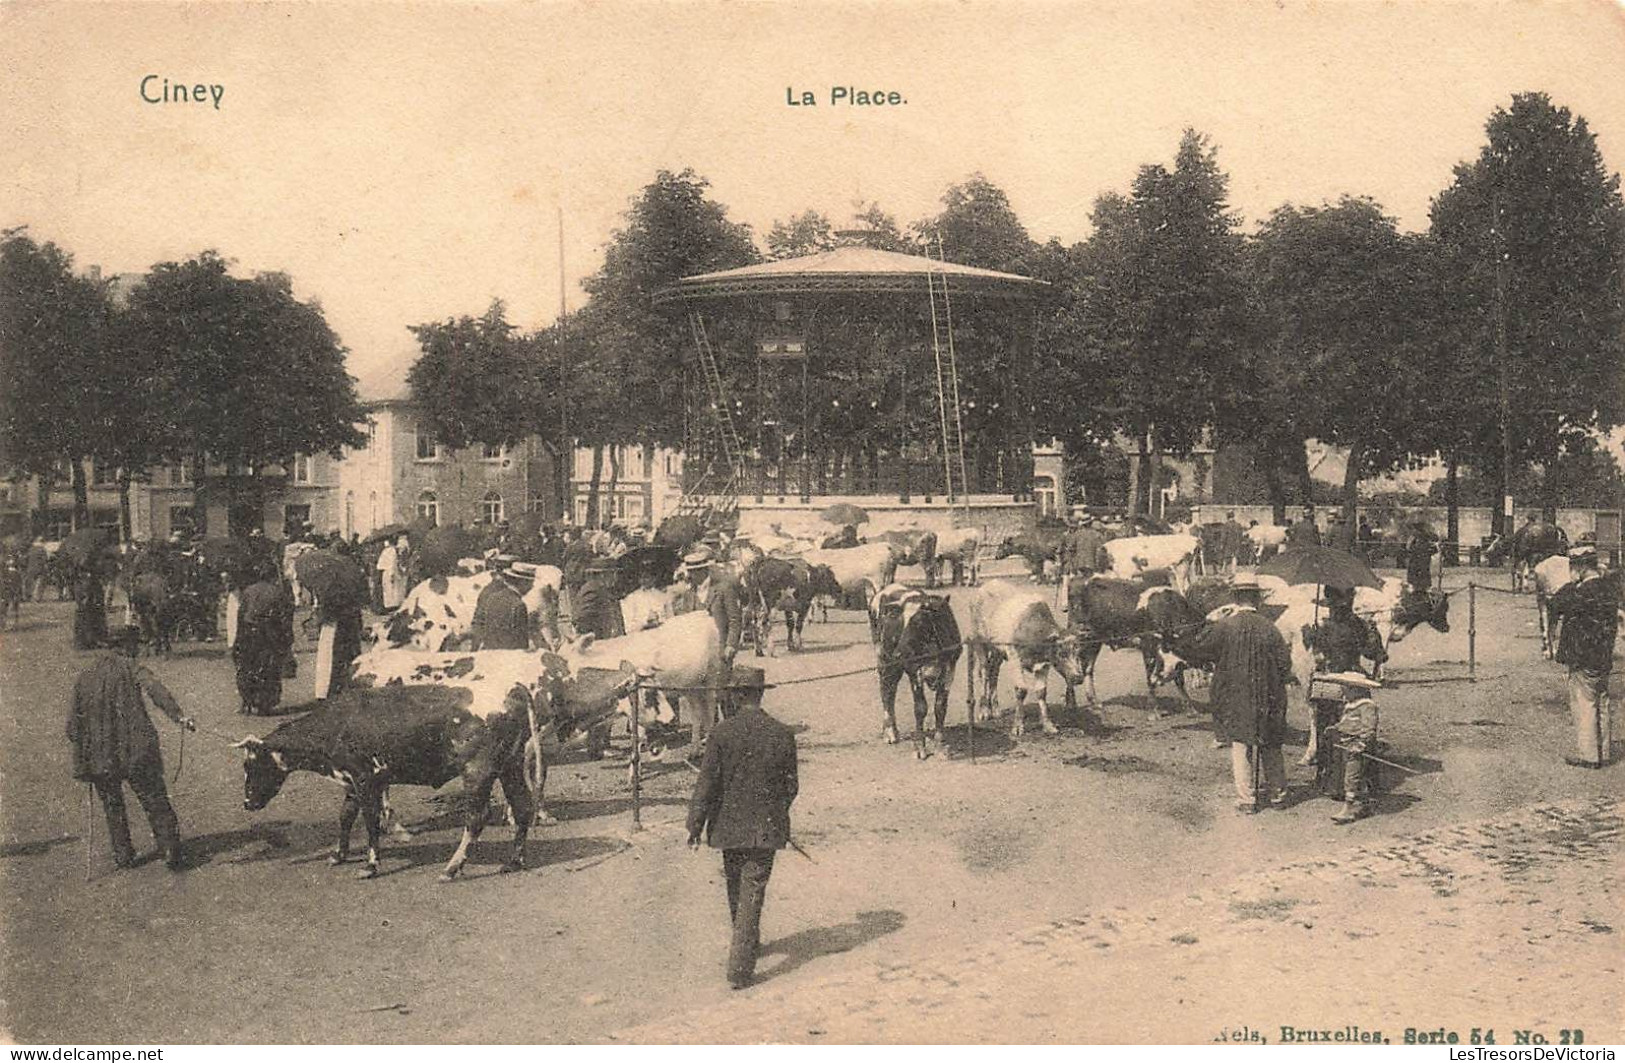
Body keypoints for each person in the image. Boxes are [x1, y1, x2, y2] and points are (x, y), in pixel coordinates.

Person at [686, 665, 798, 990]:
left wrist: (695, 825)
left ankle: (740, 962)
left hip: (728, 827)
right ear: (760, 694)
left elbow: (706, 784)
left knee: (737, 885)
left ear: (735, 695)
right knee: (752, 888)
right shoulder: (782, 733)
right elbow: (791, 786)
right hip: (766, 827)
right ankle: (745, 946)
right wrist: (775, 812)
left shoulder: (721, 734)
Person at [67, 625, 196, 870]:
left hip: (100, 756)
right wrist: (179, 716)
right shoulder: (132, 667)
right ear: (127, 646)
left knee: (112, 804)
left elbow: (72, 726)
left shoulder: (85, 675)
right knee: (154, 798)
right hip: (136, 748)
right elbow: (157, 691)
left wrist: (86, 746)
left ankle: (123, 855)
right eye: (135, 645)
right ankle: (170, 849)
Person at [1185, 574, 1296, 813]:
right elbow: (1285, 665)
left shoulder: (1225, 626)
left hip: (1237, 695)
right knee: (1271, 746)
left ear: (1236, 597)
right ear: (1257, 598)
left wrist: (1212, 623)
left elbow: (1200, 649)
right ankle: (1279, 795)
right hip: (1269, 697)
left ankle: (1247, 799)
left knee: (1241, 745)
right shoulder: (1270, 628)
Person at [1304, 585, 1388, 822]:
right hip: (1353, 680)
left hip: (1331, 681)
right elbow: (1376, 654)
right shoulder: (1359, 626)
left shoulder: (1325, 626)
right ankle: (1358, 784)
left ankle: (1333, 784)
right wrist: (1374, 634)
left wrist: (1311, 636)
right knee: (1354, 732)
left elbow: (1318, 656)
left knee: (1332, 731)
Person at [1548, 542, 1618, 768]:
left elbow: (1555, 604)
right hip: (1604, 655)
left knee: (1584, 703)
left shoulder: (1579, 592)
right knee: (1602, 702)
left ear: (1580, 567)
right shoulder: (1609, 588)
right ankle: (1604, 752)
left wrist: (1569, 584)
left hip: (1582, 657)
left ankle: (1589, 756)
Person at [676, 547, 744, 753]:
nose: (693, 575)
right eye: (691, 571)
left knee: (721, 693)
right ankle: (709, 737)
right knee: (699, 695)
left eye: (697, 571)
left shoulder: (723, 589)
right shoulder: (689, 595)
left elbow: (734, 620)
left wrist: (731, 645)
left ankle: (733, 735)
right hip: (697, 653)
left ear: (706, 571)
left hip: (720, 649)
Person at [234, 564, 294, 715]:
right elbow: (284, 618)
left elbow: (240, 615)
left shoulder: (248, 591)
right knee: (268, 669)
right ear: (273, 577)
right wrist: (286, 638)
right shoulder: (278, 593)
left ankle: (246, 701)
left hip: (248, 633)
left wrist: (238, 637)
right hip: (268, 634)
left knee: (247, 667)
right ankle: (264, 704)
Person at [470, 559, 532, 650]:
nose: (532, 587)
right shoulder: (518, 605)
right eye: (530, 583)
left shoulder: (493, 597)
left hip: (492, 653)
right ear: (523, 583)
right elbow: (521, 643)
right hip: (510, 657)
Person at [572, 558, 626, 641]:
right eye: (613, 573)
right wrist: (595, 637)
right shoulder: (592, 589)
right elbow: (582, 618)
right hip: (598, 641)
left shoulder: (602, 589)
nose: (615, 577)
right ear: (603, 575)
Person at [73, 561, 108, 651]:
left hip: (87, 582)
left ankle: (88, 640)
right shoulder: (87, 575)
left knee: (89, 613)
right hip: (87, 585)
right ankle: (87, 641)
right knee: (87, 613)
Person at [1405, 526, 1438, 595]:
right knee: (1419, 575)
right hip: (1418, 562)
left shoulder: (1419, 540)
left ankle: (1420, 589)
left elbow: (1408, 548)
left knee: (1421, 575)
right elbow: (1409, 548)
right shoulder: (1420, 540)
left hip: (1420, 562)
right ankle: (1419, 589)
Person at [376, 537, 406, 611]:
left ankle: (388, 605)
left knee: (387, 589)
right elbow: (392, 563)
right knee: (392, 588)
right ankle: (393, 605)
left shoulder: (385, 551)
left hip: (385, 571)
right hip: (391, 571)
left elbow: (380, 564)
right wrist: (392, 573)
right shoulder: (392, 551)